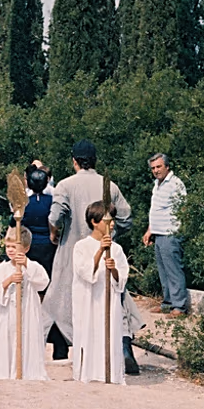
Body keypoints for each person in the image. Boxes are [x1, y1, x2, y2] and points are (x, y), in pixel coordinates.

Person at [43, 140, 137, 364]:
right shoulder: (110, 185)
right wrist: (111, 236)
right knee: (114, 296)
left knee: (62, 298)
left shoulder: (65, 185)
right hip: (103, 248)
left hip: (73, 248)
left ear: (74, 161)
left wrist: (54, 234)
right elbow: (126, 218)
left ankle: (63, 350)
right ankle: (123, 346)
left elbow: (54, 217)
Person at [72, 201, 129, 385]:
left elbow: (122, 278)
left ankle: (110, 372)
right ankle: (87, 372)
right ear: (95, 222)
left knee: (109, 332)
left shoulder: (117, 249)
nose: (112, 224)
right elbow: (85, 271)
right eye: (108, 220)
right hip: (88, 299)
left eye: (113, 220)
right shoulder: (81, 246)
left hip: (108, 300)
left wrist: (113, 270)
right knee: (89, 332)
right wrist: (99, 252)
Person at [0, 226, 50, 381]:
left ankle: (28, 372)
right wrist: (9, 280)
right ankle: (5, 373)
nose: (10, 250)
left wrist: (26, 266)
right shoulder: (3, 268)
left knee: (25, 340)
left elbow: (43, 282)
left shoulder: (33, 266)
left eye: (14, 247)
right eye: (8, 246)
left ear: (26, 248)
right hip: (7, 316)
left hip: (27, 314)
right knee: (7, 342)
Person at [143, 153, 189, 317]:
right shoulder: (157, 184)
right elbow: (156, 210)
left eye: (159, 167)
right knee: (163, 271)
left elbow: (183, 208)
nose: (156, 171)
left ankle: (179, 307)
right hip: (158, 233)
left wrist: (178, 229)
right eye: (153, 168)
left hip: (170, 233)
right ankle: (168, 303)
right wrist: (150, 230)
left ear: (167, 167)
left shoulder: (175, 184)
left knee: (174, 270)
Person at [22, 165, 55, 281]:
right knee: (47, 274)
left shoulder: (25, 203)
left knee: (31, 274)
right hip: (47, 242)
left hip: (30, 242)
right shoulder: (51, 201)